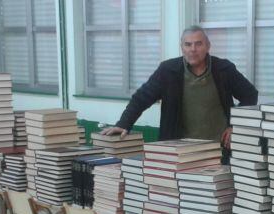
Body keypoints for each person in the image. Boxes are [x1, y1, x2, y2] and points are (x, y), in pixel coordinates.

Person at [101, 25, 258, 156]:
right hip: (179, 151)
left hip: (219, 149)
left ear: (208, 46)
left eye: (198, 44)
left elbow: (250, 94)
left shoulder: (224, 69)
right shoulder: (168, 71)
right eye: (187, 44)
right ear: (181, 47)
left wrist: (235, 125)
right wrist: (124, 124)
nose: (193, 49)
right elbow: (141, 98)